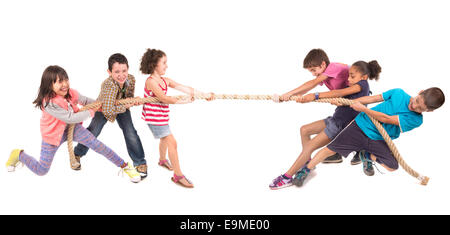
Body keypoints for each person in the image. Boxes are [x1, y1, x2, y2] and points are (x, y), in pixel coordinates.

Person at [6, 65, 141, 183]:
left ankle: (124, 166)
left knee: (96, 144)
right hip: (53, 136)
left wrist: (104, 105)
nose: (65, 84)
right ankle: (18, 155)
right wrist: (92, 111)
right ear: (49, 85)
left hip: (73, 128)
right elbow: (70, 117)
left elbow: (86, 101)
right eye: (60, 82)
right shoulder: (49, 103)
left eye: (66, 79)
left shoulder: (70, 93)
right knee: (41, 170)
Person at [292, 87, 445, 187]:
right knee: (330, 150)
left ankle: (366, 155)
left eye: (420, 108)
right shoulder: (399, 93)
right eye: (417, 100)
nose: (415, 106)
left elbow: (386, 119)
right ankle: (306, 169)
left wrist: (363, 109)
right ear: (420, 91)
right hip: (360, 126)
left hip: (378, 139)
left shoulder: (416, 120)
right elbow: (372, 99)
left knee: (392, 165)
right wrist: (354, 102)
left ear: (428, 111)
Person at [270, 60, 381, 189]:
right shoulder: (354, 85)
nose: (349, 79)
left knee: (309, 147)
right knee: (304, 130)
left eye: (352, 76)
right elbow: (343, 98)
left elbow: (338, 93)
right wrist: (304, 97)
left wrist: (315, 96)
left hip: (339, 125)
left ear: (364, 77)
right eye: (349, 75)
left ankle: (287, 177)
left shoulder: (361, 85)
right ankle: (307, 162)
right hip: (334, 119)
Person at [140, 48, 214, 188]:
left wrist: (204, 95)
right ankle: (178, 175)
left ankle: (162, 160)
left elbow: (184, 88)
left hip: (161, 116)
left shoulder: (165, 81)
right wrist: (185, 101)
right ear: (154, 64)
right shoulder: (151, 82)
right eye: (164, 63)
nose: (166, 66)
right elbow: (164, 99)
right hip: (154, 118)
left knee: (164, 139)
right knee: (172, 142)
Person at [72, 53, 148, 179]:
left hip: (121, 107)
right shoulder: (108, 85)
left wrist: (133, 100)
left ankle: (140, 162)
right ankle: (77, 153)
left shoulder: (131, 79)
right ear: (109, 72)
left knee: (130, 131)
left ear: (128, 69)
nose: (121, 75)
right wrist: (126, 106)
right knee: (93, 131)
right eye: (117, 71)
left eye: (124, 70)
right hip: (103, 108)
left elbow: (127, 97)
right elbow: (108, 110)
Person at [278, 48, 359, 164]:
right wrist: (289, 97)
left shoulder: (333, 67)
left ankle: (360, 152)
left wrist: (289, 93)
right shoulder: (326, 76)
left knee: (351, 130)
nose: (313, 74)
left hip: (354, 104)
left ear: (323, 64)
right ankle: (307, 161)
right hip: (343, 107)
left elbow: (312, 83)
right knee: (304, 130)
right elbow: (310, 87)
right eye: (310, 71)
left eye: (313, 70)